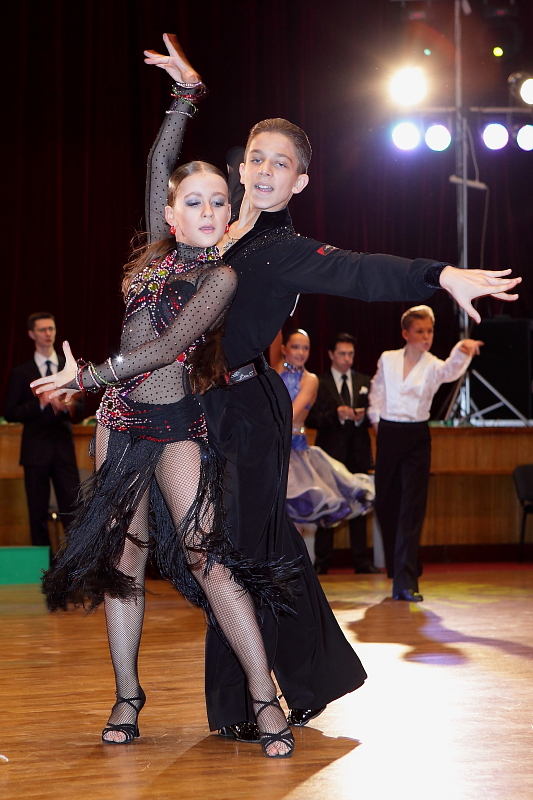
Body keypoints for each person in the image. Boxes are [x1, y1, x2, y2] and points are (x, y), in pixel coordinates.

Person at [144, 34, 520, 739]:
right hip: (196, 412)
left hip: (247, 411)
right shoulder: (209, 229)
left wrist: (437, 274)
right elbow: (157, 186)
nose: (265, 170)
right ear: (241, 165)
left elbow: (358, 269)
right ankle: (305, 679)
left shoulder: (283, 251)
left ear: (299, 183)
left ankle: (249, 701)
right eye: (257, 157)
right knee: (245, 551)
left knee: (237, 554)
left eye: (281, 164)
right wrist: (184, 98)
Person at [31, 158, 297, 758]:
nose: (209, 211)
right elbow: (157, 165)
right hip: (118, 424)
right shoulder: (153, 258)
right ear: (171, 216)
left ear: (231, 213)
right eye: (194, 202)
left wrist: (86, 376)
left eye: (220, 201)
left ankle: (264, 697)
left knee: (208, 559)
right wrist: (183, 106)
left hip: (176, 425)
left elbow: (169, 346)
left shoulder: (220, 277)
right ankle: (127, 695)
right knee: (124, 558)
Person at [367, 305, 483, 602]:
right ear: (406, 334)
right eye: (420, 331)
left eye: (430, 331)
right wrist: (376, 420)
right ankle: (400, 566)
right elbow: (376, 390)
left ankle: (406, 581)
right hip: (389, 433)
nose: (426, 336)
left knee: (412, 507)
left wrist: (462, 350)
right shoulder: (388, 358)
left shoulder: (433, 365)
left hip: (417, 436)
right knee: (386, 502)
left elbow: (449, 371)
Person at [277, 329, 373, 538]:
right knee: (273, 518)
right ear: (283, 349)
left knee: (296, 517)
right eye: (295, 347)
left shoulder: (310, 379)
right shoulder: (272, 375)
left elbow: (289, 414)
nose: (301, 352)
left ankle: (295, 560)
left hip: (296, 453)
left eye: (305, 348)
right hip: (272, 451)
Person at [4, 312, 84, 549]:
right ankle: (43, 565)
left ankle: (75, 563)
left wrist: (69, 406)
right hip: (35, 451)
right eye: (42, 329)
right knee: (37, 513)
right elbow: (10, 412)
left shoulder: (67, 367)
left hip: (63, 449)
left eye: (51, 329)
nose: (48, 334)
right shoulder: (21, 372)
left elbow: (82, 407)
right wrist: (40, 403)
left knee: (73, 510)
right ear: (32, 334)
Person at [306, 333, 377, 574]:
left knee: (360, 505)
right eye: (342, 354)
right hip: (330, 453)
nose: (347, 359)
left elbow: (375, 414)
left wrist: (360, 417)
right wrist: (336, 414)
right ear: (331, 355)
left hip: (358, 453)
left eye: (351, 354)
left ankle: (362, 561)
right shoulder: (319, 382)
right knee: (327, 504)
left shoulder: (364, 380)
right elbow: (311, 418)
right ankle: (322, 561)